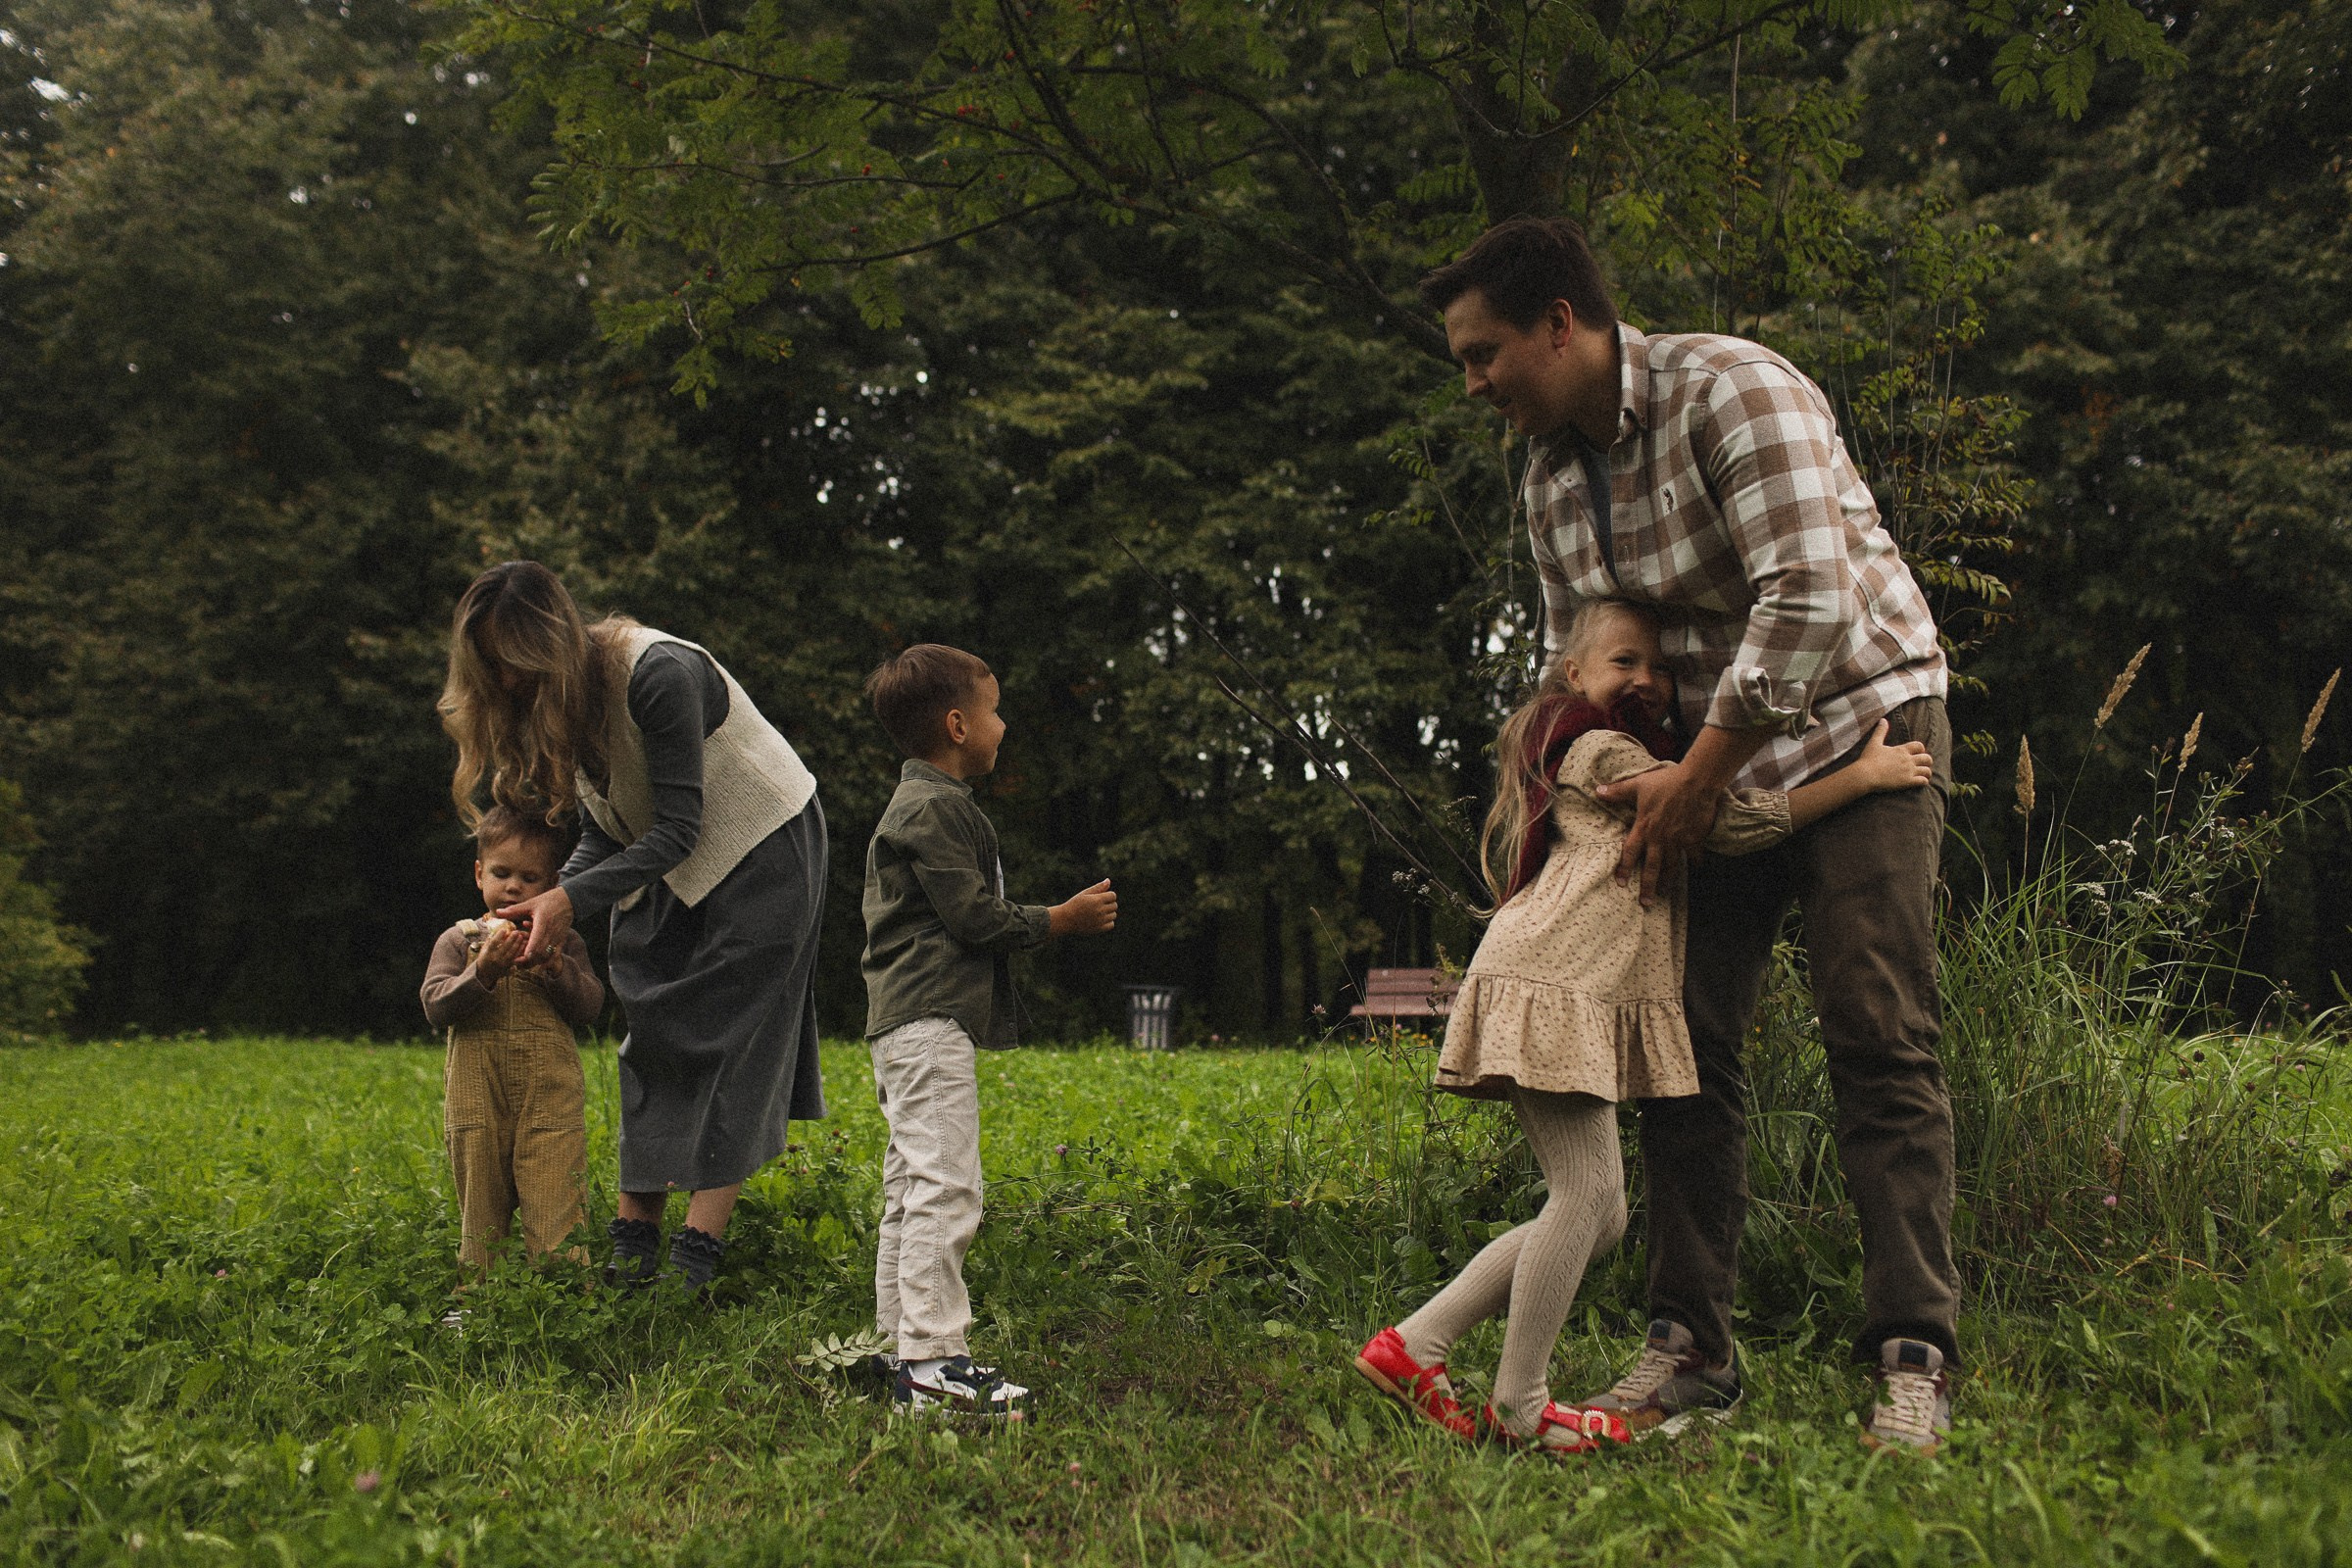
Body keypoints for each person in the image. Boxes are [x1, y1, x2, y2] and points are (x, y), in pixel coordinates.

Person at [1420, 216, 1961, 1453]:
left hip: (1857, 724)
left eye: (1484, 351)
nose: (1474, 382)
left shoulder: (1735, 390)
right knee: (1683, 1044)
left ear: (1563, 323)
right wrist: (1597, 811)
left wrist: (1702, 776)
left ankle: (1910, 1353)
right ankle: (1690, 1351)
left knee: (1875, 1026)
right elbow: (1580, 671)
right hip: (1689, 780)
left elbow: (1812, 593)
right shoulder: (1551, 477)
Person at [1353, 600, 1934, 1455]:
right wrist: (1860, 780)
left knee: (1602, 1212)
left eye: (1661, 669)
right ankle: (1520, 1401)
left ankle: (1415, 1347)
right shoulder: (1602, 750)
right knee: (1585, 1199)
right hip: (1555, 987)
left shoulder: (1605, 745)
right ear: (1574, 675)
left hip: (1557, 984)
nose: (1650, 681)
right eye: (1626, 661)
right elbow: (1724, 821)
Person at [438, 561, 827, 1296]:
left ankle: (696, 1250)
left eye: (516, 664)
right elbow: (609, 829)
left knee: (731, 1038)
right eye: (491, 667)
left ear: (550, 644)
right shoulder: (562, 708)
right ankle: (634, 1234)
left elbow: (677, 827)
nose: (508, 683)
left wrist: (567, 900)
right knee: (650, 1017)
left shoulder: (656, 675)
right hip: (674, 853)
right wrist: (553, 897)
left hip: (763, 846)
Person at [859, 644, 1118, 1418]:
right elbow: (971, 916)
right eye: (995, 708)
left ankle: (894, 1349)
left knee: (911, 1185)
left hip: (908, 1021)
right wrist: (1060, 920)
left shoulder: (931, 804)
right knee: (946, 1185)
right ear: (957, 724)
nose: (1004, 723)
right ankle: (935, 1361)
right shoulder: (934, 808)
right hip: (928, 1018)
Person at [419, 805, 605, 1274]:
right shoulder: (460, 940)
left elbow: (590, 1008)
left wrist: (556, 970)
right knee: (481, 1199)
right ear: (480, 873)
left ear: (554, 884)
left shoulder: (563, 941)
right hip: (476, 1098)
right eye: (501, 873)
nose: (514, 887)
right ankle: (478, 1295)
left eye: (530, 877)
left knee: (555, 1191)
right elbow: (436, 1006)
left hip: (549, 1098)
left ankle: (562, 1291)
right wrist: (482, 971)